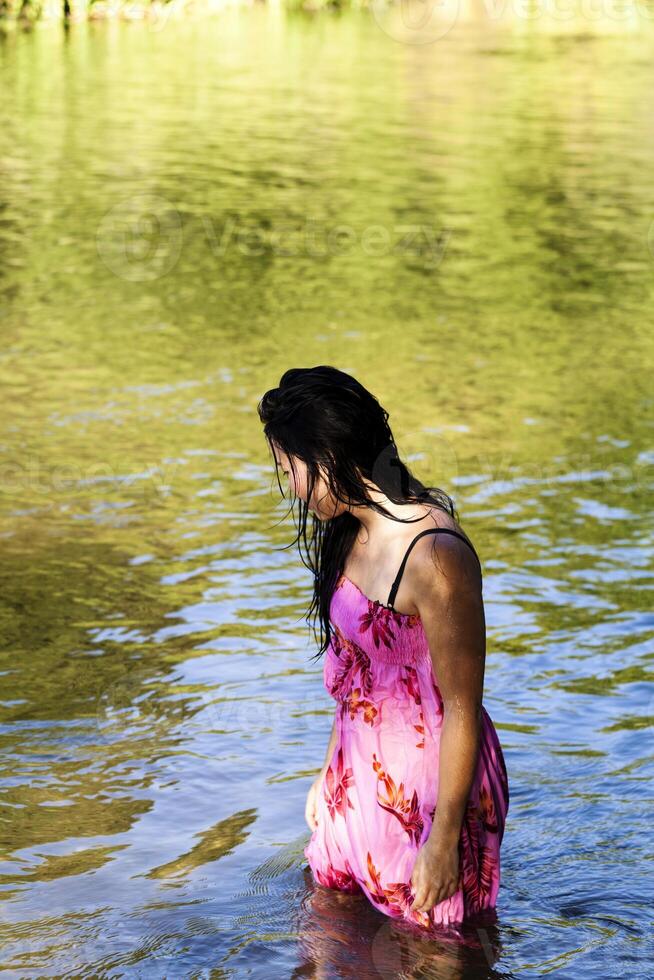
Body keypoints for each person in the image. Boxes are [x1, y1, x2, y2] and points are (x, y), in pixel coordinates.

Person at [257, 365, 509, 931]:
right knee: (330, 934)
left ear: (328, 456)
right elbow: (354, 669)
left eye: (289, 468)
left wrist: (444, 841)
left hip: (427, 794)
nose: (291, 486)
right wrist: (328, 774)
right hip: (360, 775)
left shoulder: (435, 556)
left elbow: (464, 705)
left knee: (435, 951)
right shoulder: (352, 528)